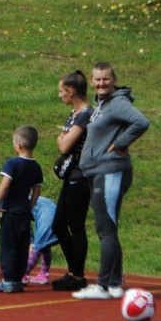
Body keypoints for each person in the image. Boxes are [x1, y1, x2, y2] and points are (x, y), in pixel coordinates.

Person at [72, 62, 150, 301]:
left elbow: (141, 122)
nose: (101, 83)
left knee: (105, 229)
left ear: (114, 80)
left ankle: (103, 286)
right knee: (109, 228)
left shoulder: (118, 103)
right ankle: (115, 283)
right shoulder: (102, 105)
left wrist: (121, 143)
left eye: (105, 79)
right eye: (97, 79)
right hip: (99, 171)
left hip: (111, 171)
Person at [50, 69, 95, 292]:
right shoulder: (74, 114)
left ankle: (78, 275)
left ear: (70, 91)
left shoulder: (86, 115)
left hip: (81, 176)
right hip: (71, 176)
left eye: (61, 91)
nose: (59, 95)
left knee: (76, 226)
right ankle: (72, 271)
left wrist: (61, 138)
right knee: (59, 224)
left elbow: (65, 145)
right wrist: (63, 138)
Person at [0, 126, 44, 294]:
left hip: (10, 211)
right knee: (22, 245)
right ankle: (18, 278)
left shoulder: (12, 163)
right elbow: (36, 190)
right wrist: (30, 206)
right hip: (24, 212)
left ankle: (7, 280)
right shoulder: (36, 166)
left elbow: (5, 185)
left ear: (18, 145)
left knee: (8, 245)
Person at [23, 196, 57, 285]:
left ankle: (21, 275)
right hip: (56, 215)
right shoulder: (31, 198)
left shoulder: (19, 204)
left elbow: (25, 223)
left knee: (37, 249)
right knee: (45, 246)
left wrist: (30, 241)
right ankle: (44, 274)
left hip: (46, 218)